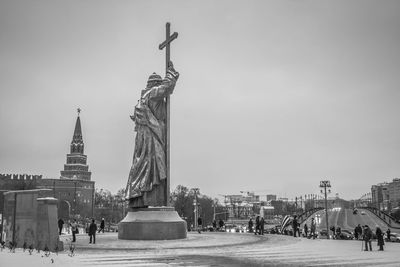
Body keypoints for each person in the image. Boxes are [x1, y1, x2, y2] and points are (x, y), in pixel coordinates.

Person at [125, 62, 180, 208]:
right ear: (155, 85)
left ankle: (140, 196)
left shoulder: (142, 99)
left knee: (143, 163)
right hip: (152, 136)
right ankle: (151, 198)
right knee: (153, 163)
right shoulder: (152, 94)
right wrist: (171, 73)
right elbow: (167, 87)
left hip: (143, 137)